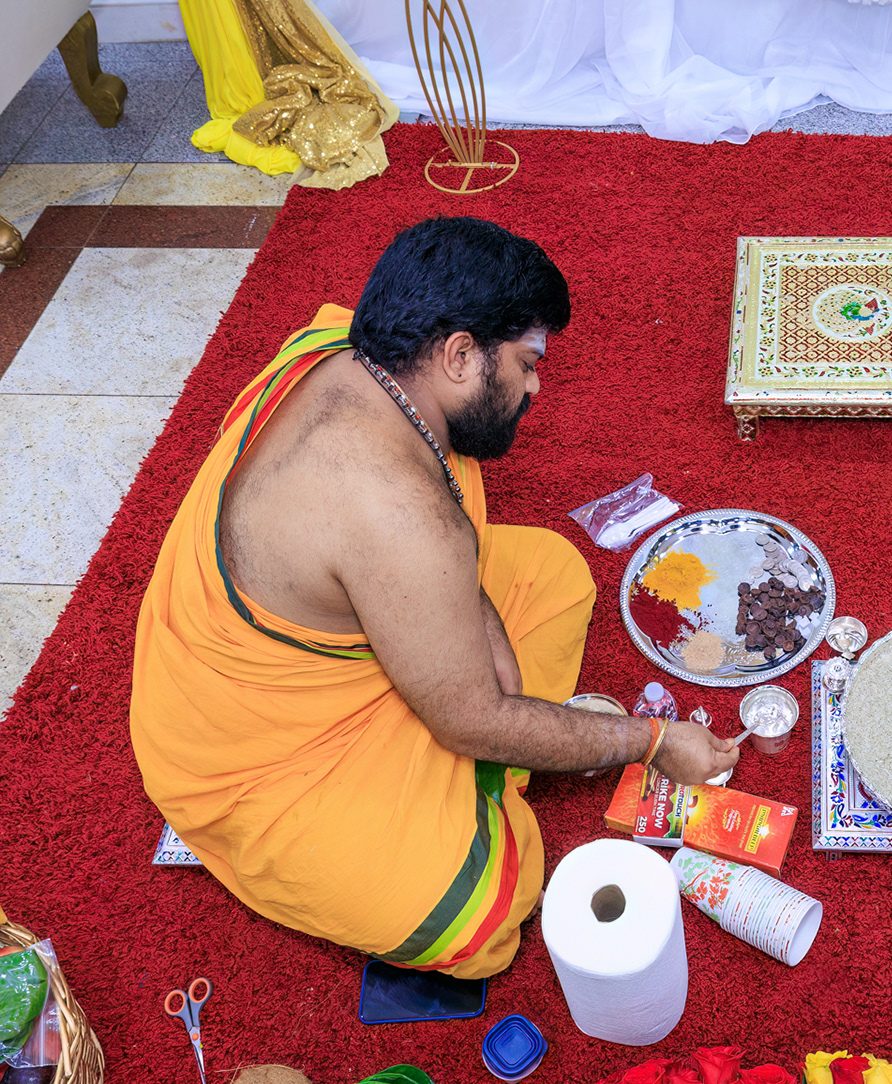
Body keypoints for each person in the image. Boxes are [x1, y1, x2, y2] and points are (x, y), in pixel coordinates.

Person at [131, 216, 738, 978]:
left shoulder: (339, 345)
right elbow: (469, 712)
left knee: (557, 576)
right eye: (526, 363)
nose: (535, 386)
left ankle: (482, 748)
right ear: (458, 355)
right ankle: (481, 778)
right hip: (254, 757)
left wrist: (481, 652)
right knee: (487, 919)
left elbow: (442, 542)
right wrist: (652, 740)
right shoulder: (400, 515)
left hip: (374, 590)